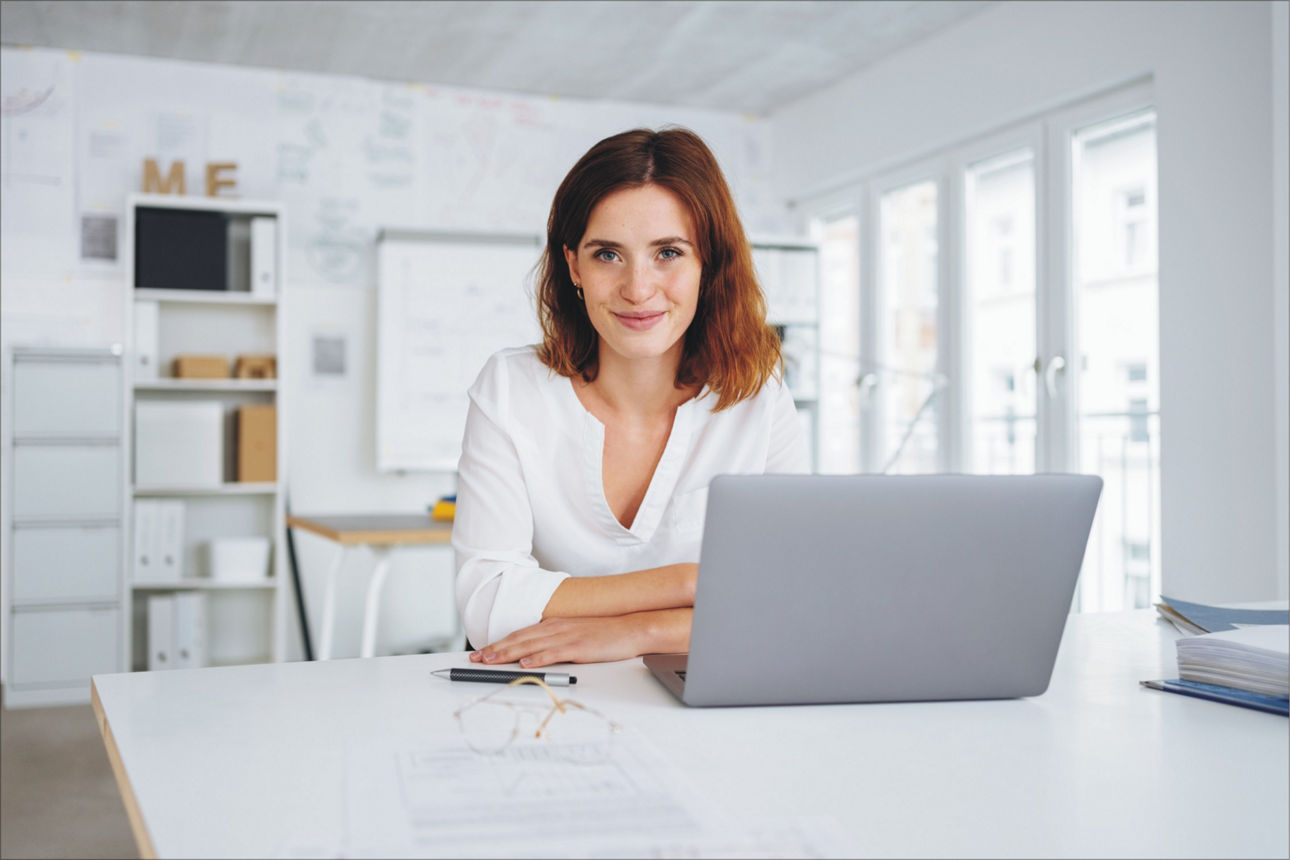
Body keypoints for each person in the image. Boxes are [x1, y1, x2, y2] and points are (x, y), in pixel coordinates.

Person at [453, 126, 808, 669]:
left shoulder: (759, 400)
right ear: (573, 265)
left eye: (668, 252)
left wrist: (636, 633)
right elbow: (486, 603)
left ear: (707, 263)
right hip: (546, 702)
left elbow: (787, 601)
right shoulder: (511, 388)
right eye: (608, 255)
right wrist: (692, 584)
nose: (638, 289)